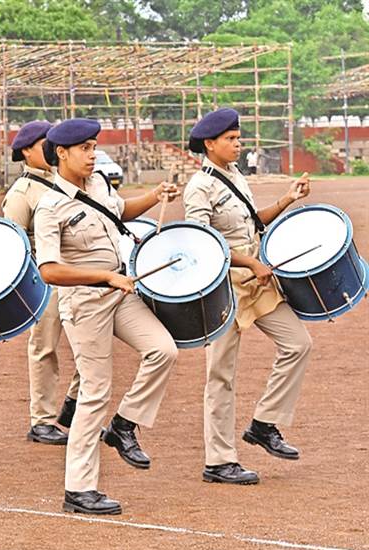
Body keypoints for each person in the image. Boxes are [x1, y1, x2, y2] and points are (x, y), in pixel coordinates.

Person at [33, 118, 181, 515]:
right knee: (95, 392)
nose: (92, 154)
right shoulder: (49, 206)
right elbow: (48, 269)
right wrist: (104, 276)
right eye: (84, 148)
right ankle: (79, 489)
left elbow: (119, 212)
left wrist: (154, 195)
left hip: (119, 292)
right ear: (61, 153)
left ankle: (124, 425)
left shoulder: (99, 183)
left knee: (163, 350)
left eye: (94, 146)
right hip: (84, 305)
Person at [183, 108, 312, 485]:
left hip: (255, 283)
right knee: (220, 374)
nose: (239, 145)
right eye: (231, 140)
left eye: (239, 139)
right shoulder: (199, 187)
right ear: (210, 144)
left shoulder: (236, 176)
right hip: (222, 287)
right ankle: (219, 461)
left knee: (298, 343)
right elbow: (201, 242)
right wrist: (247, 263)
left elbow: (253, 221)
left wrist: (287, 199)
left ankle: (264, 423)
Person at [2, 120, 80, 446]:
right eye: (42, 144)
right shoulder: (22, 193)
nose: (50, 149)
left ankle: (74, 407)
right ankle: (42, 421)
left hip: (75, 272)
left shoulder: (65, 182)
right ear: (25, 151)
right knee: (44, 348)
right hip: (43, 278)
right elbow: (12, 244)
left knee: (92, 343)